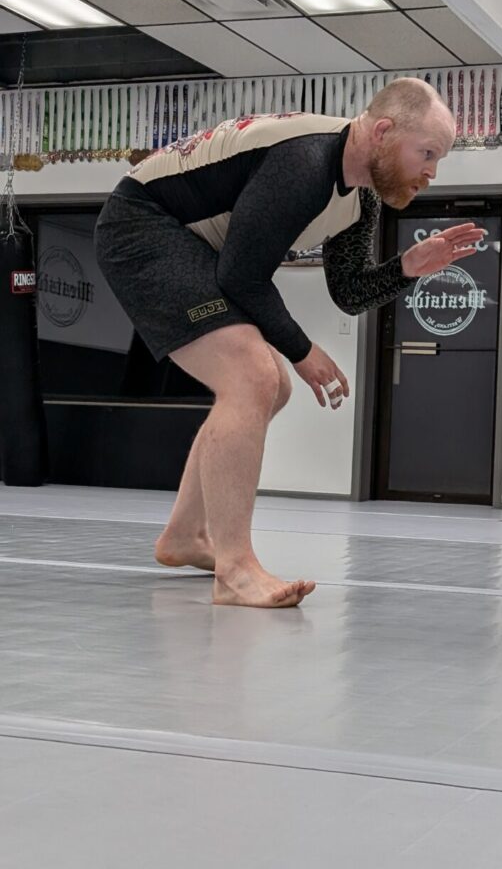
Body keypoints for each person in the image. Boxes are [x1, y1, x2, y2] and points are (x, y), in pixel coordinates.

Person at [96, 78, 482, 609]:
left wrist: (408, 269)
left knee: (270, 386)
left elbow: (348, 292)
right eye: (428, 154)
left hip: (195, 248)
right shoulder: (304, 163)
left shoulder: (360, 197)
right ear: (384, 131)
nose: (431, 173)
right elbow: (242, 277)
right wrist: (304, 352)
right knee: (254, 375)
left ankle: (184, 538)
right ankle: (234, 570)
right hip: (141, 226)